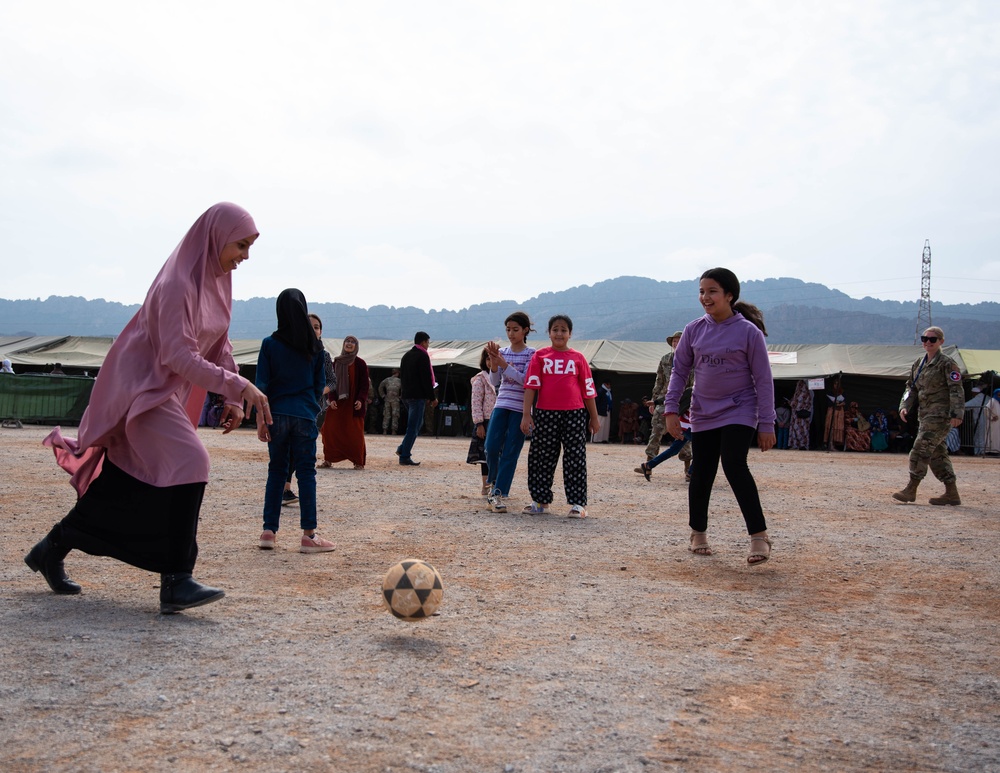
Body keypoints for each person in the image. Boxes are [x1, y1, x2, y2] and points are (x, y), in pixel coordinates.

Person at [28, 202, 270, 613]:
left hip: (166, 393)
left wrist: (230, 397)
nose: (245, 256)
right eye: (241, 245)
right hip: (140, 390)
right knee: (192, 460)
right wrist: (240, 385)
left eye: (249, 247)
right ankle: (177, 579)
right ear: (215, 237)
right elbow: (179, 355)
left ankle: (52, 547)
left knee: (127, 484)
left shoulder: (218, 280)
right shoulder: (176, 285)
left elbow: (218, 344)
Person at [663, 268, 776, 565]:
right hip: (703, 410)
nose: (705, 297)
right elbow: (680, 372)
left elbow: (763, 379)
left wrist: (767, 423)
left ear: (729, 295)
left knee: (735, 465)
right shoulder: (693, 329)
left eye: (712, 291)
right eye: (702, 291)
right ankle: (697, 533)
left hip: (740, 408)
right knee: (702, 471)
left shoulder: (748, 332)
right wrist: (671, 409)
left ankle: (759, 537)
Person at [255, 289, 333, 553]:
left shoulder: (269, 344)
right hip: (304, 415)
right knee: (306, 473)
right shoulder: (314, 346)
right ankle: (309, 536)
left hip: (275, 414)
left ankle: (268, 531)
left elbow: (261, 385)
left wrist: (262, 418)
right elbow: (319, 384)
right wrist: (309, 411)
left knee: (277, 471)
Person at [520, 314, 600, 518]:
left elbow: (588, 390)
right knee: (541, 457)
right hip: (545, 413)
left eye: (564, 330)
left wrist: (594, 417)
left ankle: (578, 504)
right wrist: (526, 415)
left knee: (575, 457)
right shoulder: (540, 356)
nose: (559, 333)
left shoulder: (578, 358)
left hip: (574, 413)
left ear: (570, 334)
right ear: (549, 333)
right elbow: (530, 386)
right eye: (555, 329)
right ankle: (540, 501)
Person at [892, 326, 965, 506]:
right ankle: (951, 492)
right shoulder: (919, 363)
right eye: (925, 339)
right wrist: (904, 405)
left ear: (941, 341)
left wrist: (956, 413)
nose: (927, 342)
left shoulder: (947, 363)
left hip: (940, 416)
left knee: (920, 449)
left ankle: (911, 488)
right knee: (936, 454)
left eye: (932, 339)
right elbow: (911, 387)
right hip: (924, 415)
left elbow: (956, 389)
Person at [484, 311, 536, 513]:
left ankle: (498, 493)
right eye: (508, 330)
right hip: (502, 403)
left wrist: (504, 365)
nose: (511, 333)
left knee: (511, 451)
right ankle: (493, 480)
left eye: (515, 329)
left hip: (521, 407)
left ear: (525, 330)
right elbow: (495, 382)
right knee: (490, 446)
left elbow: (527, 381)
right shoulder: (502, 351)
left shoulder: (532, 353)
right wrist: (495, 365)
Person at [282, 312, 335, 506]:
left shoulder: (325, 356)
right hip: (294, 407)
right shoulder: (291, 352)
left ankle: (290, 490)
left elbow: (332, 381)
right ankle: (285, 488)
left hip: (316, 409)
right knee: (290, 449)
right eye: (309, 326)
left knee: (303, 450)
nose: (314, 330)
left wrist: (319, 390)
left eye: (317, 327)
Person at [320, 336, 369, 469]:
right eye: (347, 341)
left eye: (353, 342)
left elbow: (365, 385)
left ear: (356, 346)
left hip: (353, 404)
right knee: (329, 429)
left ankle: (358, 461)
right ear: (343, 344)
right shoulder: (337, 362)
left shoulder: (360, 363)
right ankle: (328, 459)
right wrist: (332, 398)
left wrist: (360, 399)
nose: (349, 343)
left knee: (355, 433)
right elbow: (331, 381)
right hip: (338, 404)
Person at [396, 332, 437, 465]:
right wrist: (432, 397)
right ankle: (404, 456)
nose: (428, 346)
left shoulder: (406, 355)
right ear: (424, 342)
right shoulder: (422, 356)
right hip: (417, 396)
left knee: (416, 424)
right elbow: (425, 378)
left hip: (406, 395)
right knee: (414, 427)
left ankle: (402, 448)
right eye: (428, 343)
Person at [643, 331, 683, 460]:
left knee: (683, 433)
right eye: (674, 341)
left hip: (682, 401)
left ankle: (687, 466)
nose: (676, 343)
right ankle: (649, 463)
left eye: (679, 340)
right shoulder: (665, 359)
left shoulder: (691, 359)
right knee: (656, 430)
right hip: (663, 400)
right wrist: (654, 400)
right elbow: (659, 380)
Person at [467, 347, 497, 497]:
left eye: (494, 358)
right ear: (484, 361)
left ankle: (497, 486)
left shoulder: (503, 378)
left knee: (498, 454)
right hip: (485, 421)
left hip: (500, 420)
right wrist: (479, 423)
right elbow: (476, 402)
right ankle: (485, 486)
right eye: (488, 358)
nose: (491, 362)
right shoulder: (480, 379)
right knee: (485, 456)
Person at [963, 382, 999, 456]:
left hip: (982, 420)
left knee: (981, 436)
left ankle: (981, 452)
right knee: (981, 436)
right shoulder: (988, 398)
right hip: (988, 420)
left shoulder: (978, 398)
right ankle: (979, 451)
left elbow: (966, 406)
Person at [788, 379, 813, 450]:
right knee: (803, 429)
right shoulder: (809, 393)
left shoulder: (802, 393)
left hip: (799, 414)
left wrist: (791, 403)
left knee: (798, 429)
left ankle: (800, 444)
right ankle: (801, 444)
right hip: (804, 414)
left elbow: (796, 402)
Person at [823, 379, 846, 451]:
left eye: (838, 384)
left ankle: (835, 444)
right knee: (831, 426)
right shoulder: (830, 392)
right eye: (835, 384)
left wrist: (840, 403)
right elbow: (829, 403)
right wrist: (836, 403)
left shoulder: (842, 392)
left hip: (839, 413)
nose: (836, 385)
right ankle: (830, 444)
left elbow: (845, 402)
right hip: (832, 411)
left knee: (837, 427)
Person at [378, 369, 402, 434]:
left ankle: (385, 430)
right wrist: (401, 397)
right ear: (397, 373)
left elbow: (380, 387)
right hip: (395, 400)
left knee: (387, 415)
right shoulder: (399, 381)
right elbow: (404, 389)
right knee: (395, 415)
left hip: (388, 399)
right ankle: (393, 431)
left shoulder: (387, 380)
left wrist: (383, 395)